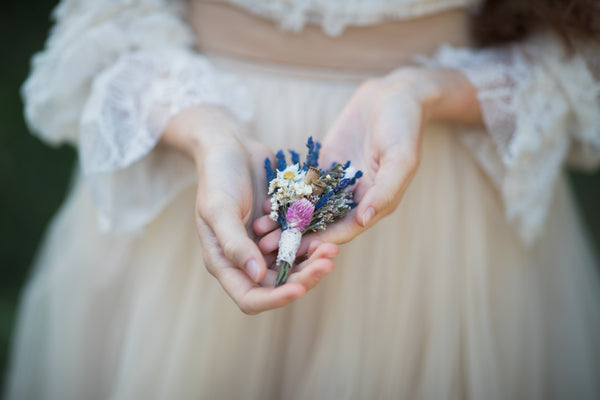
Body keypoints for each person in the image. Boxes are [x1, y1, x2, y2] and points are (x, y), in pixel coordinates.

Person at [5, 0, 600, 398]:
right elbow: (106, 26)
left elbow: (574, 52)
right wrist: (206, 130)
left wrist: (425, 92)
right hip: (198, 158)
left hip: (437, 196)